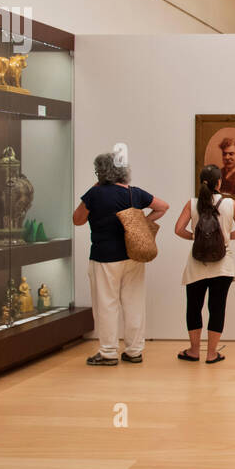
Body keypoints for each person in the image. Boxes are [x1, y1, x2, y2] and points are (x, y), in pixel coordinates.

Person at [72, 153, 168, 366]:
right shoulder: (134, 193)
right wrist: (142, 222)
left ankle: (108, 352)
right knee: (134, 303)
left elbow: (77, 220)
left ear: (100, 172)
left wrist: (95, 188)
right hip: (133, 256)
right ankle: (134, 351)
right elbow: (163, 206)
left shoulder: (95, 194)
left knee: (107, 305)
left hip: (104, 257)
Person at [174, 164, 235, 363]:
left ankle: (194, 351)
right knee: (217, 308)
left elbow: (178, 229)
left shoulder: (192, 203)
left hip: (196, 262)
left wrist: (196, 238)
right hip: (222, 263)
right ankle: (212, 353)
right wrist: (224, 237)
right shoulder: (230, 204)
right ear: (219, 182)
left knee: (194, 307)